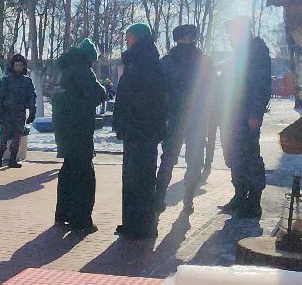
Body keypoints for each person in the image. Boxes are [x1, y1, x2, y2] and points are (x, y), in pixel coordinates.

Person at [110, 23, 168, 238]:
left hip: (142, 129)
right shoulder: (138, 60)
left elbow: (144, 99)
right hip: (135, 129)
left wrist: (129, 120)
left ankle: (142, 226)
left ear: (140, 38)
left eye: (130, 36)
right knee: (132, 178)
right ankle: (132, 223)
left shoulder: (146, 62)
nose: (127, 40)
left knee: (141, 179)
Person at [217, 17, 273, 218]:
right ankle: (240, 196)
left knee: (249, 155)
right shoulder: (238, 55)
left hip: (245, 115)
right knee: (234, 155)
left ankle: (254, 201)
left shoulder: (257, 52)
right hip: (231, 115)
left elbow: (261, 86)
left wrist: (255, 112)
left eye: (232, 34)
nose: (230, 38)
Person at [157, 24, 215, 205]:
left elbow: (159, 90)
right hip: (196, 117)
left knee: (168, 158)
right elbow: (210, 91)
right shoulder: (205, 62)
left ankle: (158, 197)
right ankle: (188, 198)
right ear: (193, 38)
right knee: (194, 158)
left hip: (173, 116)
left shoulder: (167, 62)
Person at [52, 38, 105, 232]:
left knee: (68, 171)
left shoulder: (65, 70)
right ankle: (81, 220)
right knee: (84, 176)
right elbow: (98, 94)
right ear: (89, 58)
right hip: (79, 128)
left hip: (64, 129)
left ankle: (62, 214)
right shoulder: (83, 70)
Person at [0, 53, 35, 168]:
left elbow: (32, 98)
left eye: (20, 65)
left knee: (17, 138)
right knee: (3, 138)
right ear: (12, 66)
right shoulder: (6, 81)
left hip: (20, 113)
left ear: (24, 66)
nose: (18, 68)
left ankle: (13, 160)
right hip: (7, 113)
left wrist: (32, 112)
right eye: (16, 65)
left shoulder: (27, 82)